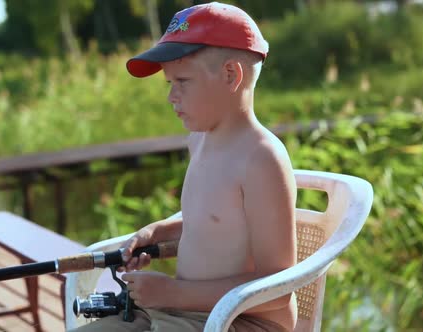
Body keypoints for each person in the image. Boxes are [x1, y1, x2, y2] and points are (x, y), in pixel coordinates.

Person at [74, 2, 297, 331]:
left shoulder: (261, 159)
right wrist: (158, 231)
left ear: (230, 75)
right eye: (169, 83)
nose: (171, 96)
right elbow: (213, 219)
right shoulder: (199, 140)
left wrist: (173, 292)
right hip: (181, 311)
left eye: (182, 81)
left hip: (242, 321)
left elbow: (277, 289)